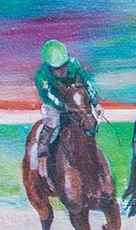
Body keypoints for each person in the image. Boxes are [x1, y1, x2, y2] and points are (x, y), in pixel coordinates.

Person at [34, 39, 103, 181]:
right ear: (49, 67)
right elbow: (49, 96)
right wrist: (66, 106)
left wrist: (96, 104)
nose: (62, 70)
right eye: (57, 68)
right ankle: (42, 156)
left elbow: (87, 84)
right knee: (52, 123)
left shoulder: (74, 65)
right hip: (53, 105)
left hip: (74, 101)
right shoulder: (41, 75)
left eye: (64, 66)